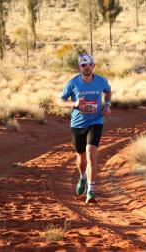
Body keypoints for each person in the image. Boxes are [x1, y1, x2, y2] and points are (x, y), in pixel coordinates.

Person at [58, 52, 111, 203]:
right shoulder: (72, 83)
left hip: (96, 122)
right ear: (79, 67)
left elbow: (108, 92)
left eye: (89, 64)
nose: (86, 67)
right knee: (81, 157)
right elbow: (60, 101)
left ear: (93, 65)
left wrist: (107, 105)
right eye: (83, 65)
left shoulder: (101, 81)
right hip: (77, 124)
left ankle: (91, 191)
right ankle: (82, 176)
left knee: (91, 154)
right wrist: (73, 104)